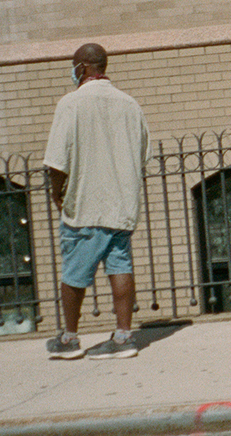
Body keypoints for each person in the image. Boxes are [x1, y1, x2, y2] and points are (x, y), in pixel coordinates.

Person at [43, 43, 150, 360]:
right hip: (121, 204)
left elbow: (57, 161)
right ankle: (123, 337)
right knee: (120, 266)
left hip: (87, 204)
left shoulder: (71, 104)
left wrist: (56, 193)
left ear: (83, 67)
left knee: (74, 273)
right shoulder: (130, 104)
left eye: (74, 66)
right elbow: (142, 155)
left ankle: (70, 338)